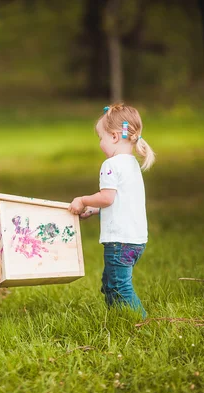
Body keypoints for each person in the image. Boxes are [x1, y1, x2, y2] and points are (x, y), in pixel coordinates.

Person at [68, 104, 155, 319]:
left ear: (115, 137)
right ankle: (117, 318)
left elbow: (107, 197)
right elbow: (121, 201)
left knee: (120, 286)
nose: (100, 144)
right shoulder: (132, 164)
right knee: (110, 283)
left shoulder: (111, 165)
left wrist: (82, 200)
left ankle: (142, 322)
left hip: (119, 242)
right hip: (135, 241)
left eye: (101, 138)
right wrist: (94, 209)